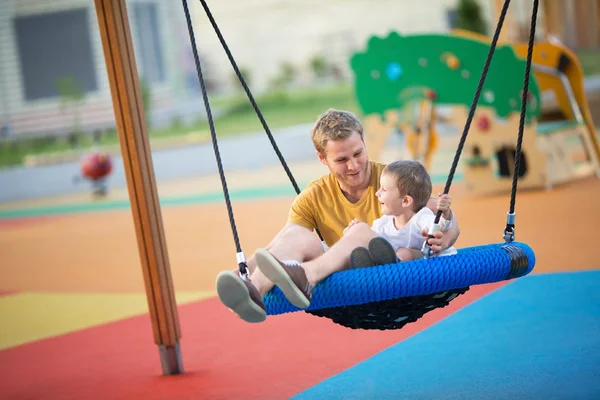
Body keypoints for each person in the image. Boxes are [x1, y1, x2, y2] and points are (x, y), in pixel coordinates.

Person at [216, 109, 461, 321]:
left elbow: (438, 212)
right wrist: (243, 271)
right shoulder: (314, 196)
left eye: (358, 153)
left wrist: (447, 238)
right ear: (322, 158)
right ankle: (254, 292)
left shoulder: (392, 180)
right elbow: (283, 241)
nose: (354, 165)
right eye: (342, 159)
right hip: (342, 276)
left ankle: (307, 277)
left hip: (390, 274)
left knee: (362, 231)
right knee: (296, 233)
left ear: (365, 143)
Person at [344, 160, 457, 270]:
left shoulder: (421, 217)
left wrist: (445, 213)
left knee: (404, 252)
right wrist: (353, 232)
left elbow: (441, 226)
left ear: (406, 201)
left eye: (384, 189)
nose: (377, 193)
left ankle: (395, 266)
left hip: (432, 262)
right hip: (410, 265)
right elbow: (369, 240)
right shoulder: (383, 223)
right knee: (370, 241)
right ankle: (372, 266)